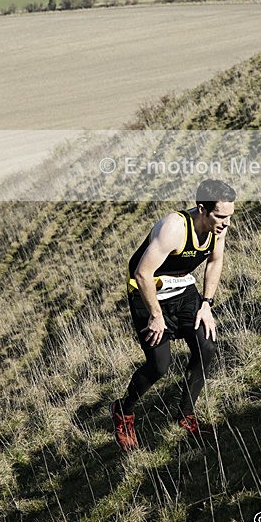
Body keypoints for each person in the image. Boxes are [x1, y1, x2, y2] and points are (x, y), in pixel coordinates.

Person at [111, 178, 236, 451]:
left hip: (182, 289)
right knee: (159, 365)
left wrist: (206, 304)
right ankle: (123, 410)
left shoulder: (218, 228)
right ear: (201, 208)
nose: (226, 223)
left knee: (207, 347)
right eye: (220, 216)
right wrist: (156, 315)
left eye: (229, 216)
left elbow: (215, 261)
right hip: (149, 292)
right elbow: (142, 273)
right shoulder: (174, 228)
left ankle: (185, 415)